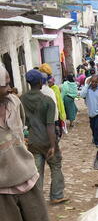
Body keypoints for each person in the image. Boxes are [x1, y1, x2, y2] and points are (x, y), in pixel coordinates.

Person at [0, 65, 68, 221]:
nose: (9, 88)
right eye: (4, 85)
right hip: (1, 187)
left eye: (8, 82)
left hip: (27, 175)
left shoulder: (15, 103)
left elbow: (21, 129)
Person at [21, 70, 68, 206]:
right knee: (56, 166)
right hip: (47, 140)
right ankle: (56, 195)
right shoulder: (47, 101)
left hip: (33, 141)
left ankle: (37, 199)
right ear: (41, 83)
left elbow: (22, 122)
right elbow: (50, 125)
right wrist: (53, 145)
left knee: (36, 170)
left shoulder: (22, 99)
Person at [80, 74, 98, 148]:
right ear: (90, 81)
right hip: (91, 111)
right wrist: (86, 85)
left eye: (95, 82)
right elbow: (82, 95)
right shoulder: (87, 89)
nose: (94, 83)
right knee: (92, 126)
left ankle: (97, 142)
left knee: (97, 126)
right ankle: (94, 137)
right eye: (92, 82)